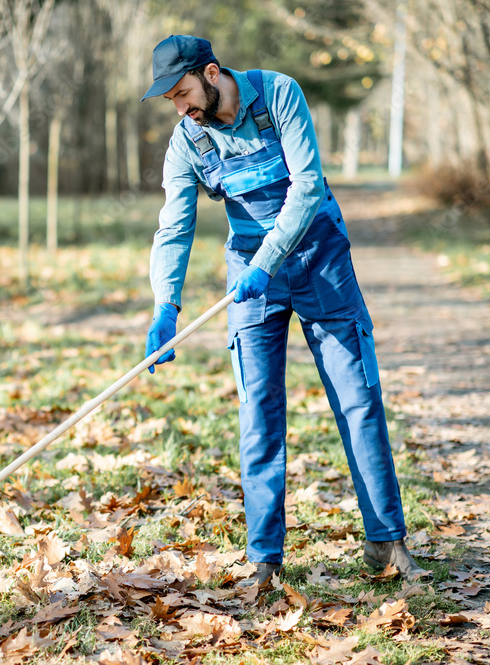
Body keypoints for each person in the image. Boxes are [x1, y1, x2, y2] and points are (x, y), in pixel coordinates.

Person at [141, 35, 427, 586]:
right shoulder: (188, 142)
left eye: (183, 93)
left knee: (358, 400)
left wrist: (268, 260)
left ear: (213, 73)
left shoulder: (279, 95)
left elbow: (308, 186)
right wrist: (165, 305)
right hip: (251, 278)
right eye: (172, 101)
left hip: (319, 260)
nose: (181, 109)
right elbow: (174, 226)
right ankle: (264, 562)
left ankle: (387, 541)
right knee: (259, 413)